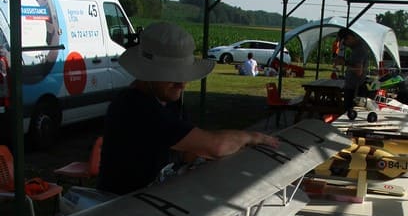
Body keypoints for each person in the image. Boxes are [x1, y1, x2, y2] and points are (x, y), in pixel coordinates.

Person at [97, 22, 279, 195]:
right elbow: (215, 147)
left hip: (157, 196)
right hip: (123, 207)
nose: (182, 84)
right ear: (147, 74)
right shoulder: (135, 107)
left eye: (183, 75)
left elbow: (189, 151)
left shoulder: (167, 100)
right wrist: (251, 137)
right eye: (173, 76)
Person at [335, 28, 370, 114]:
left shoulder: (359, 50)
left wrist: (344, 62)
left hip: (355, 89)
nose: (345, 45)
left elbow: (358, 71)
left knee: (350, 114)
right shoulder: (356, 48)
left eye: (345, 42)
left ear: (350, 37)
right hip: (352, 87)